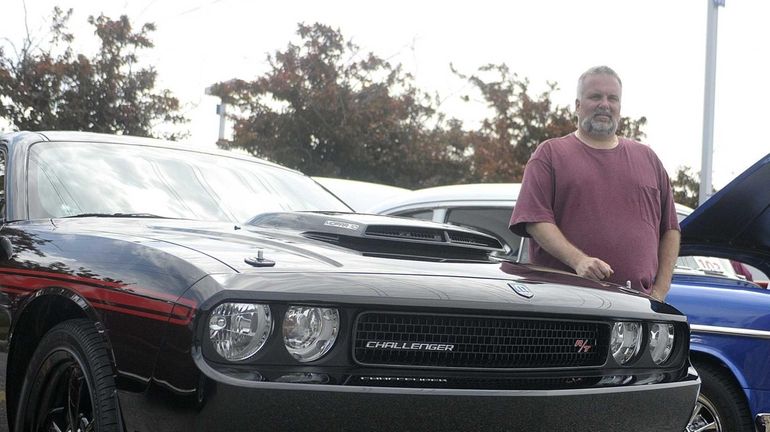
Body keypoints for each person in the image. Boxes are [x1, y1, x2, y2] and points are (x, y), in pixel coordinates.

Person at [509, 65, 680, 302]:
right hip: (565, 303)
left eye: (613, 98)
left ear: (620, 107)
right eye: (595, 96)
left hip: (638, 309)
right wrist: (579, 261)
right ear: (577, 105)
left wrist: (660, 291)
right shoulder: (549, 154)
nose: (604, 104)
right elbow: (535, 220)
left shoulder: (648, 159)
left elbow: (670, 229)